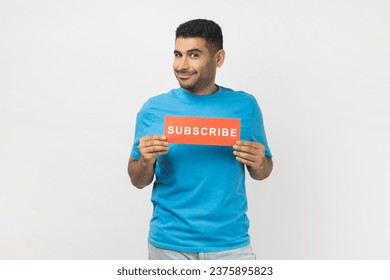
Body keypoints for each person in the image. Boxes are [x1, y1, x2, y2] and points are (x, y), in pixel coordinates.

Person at [128, 19, 273, 260]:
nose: (182, 65)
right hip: (169, 246)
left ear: (218, 59)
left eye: (194, 55)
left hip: (231, 245)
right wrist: (145, 160)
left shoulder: (245, 107)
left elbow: (262, 171)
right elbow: (137, 179)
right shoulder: (154, 109)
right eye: (178, 54)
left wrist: (259, 163)